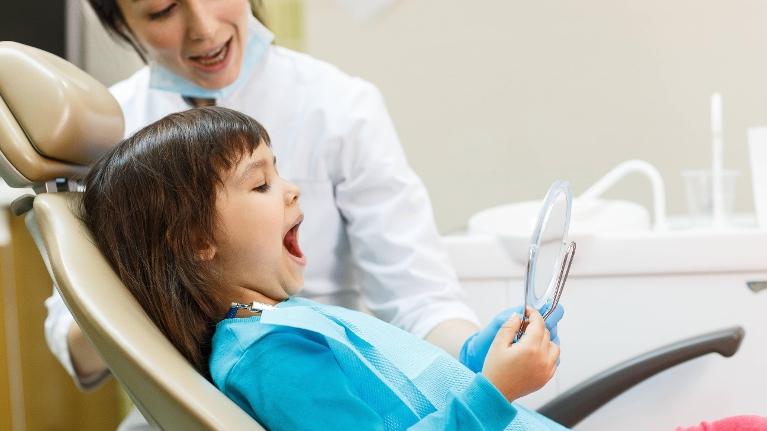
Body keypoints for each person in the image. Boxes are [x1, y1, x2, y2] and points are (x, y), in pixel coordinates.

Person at [44, 1, 563, 429]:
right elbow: (84, 326)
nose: (203, 28)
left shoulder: (338, 105)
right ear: (121, 24)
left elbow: (417, 305)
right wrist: (153, 268)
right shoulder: (104, 140)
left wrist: (478, 359)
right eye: (161, 10)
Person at [82, 107, 766, 431]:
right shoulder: (271, 355)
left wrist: (482, 350)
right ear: (198, 239)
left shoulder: (289, 317)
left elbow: (415, 386)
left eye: (280, 173)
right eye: (260, 186)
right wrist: (493, 391)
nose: (291, 190)